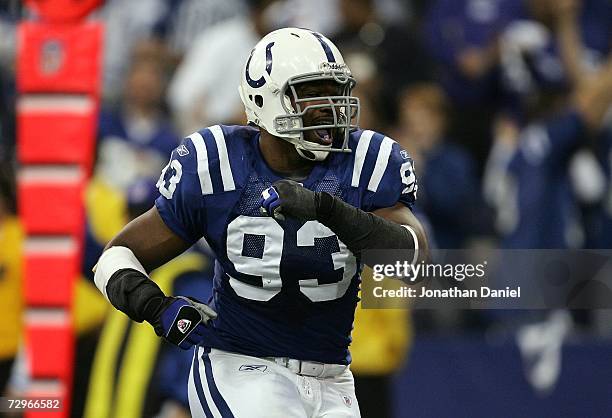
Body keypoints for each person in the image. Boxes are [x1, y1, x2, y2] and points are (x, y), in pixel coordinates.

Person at [93, 27, 427, 417]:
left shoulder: (366, 162)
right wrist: (156, 308)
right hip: (240, 365)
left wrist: (328, 210)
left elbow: (415, 263)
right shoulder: (218, 164)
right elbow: (115, 257)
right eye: (311, 93)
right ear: (266, 101)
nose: (330, 107)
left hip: (334, 376)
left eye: (334, 91)